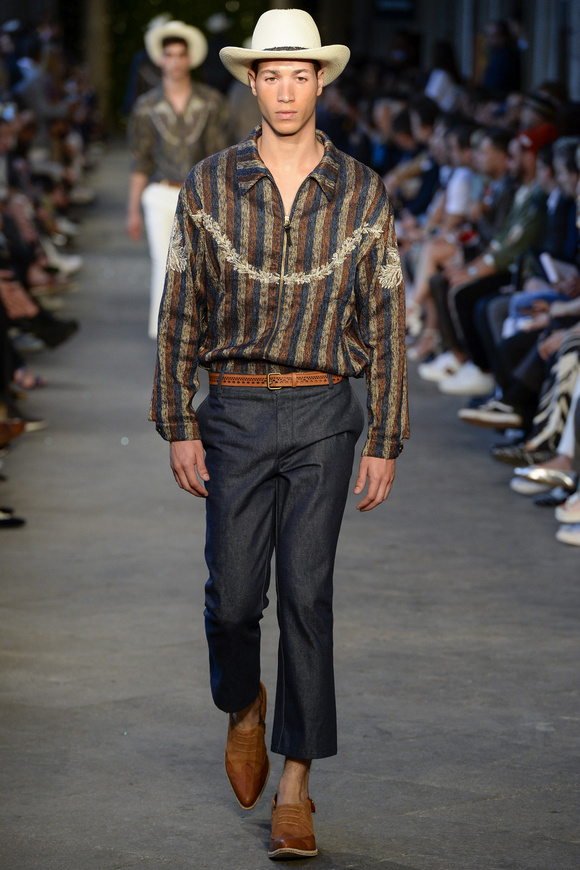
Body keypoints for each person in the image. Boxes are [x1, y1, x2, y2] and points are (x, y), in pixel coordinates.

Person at [150, 8, 409, 861]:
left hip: (324, 413)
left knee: (306, 595)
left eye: (302, 74)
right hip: (231, 409)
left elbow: (388, 317)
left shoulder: (361, 190)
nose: (288, 90)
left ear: (321, 80)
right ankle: (243, 705)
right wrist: (178, 420)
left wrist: (385, 435)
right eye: (273, 75)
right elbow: (179, 310)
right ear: (252, 82)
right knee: (231, 601)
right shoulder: (208, 184)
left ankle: (296, 785)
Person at [127, 19, 229, 339]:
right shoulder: (146, 107)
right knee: (164, 261)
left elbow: (219, 155)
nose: (174, 61)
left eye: (180, 54)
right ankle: (166, 335)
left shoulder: (211, 102)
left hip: (200, 194)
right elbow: (140, 160)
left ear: (189, 58)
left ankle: (198, 331)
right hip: (160, 193)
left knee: (202, 263)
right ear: (159, 59)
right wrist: (132, 210)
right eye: (168, 54)